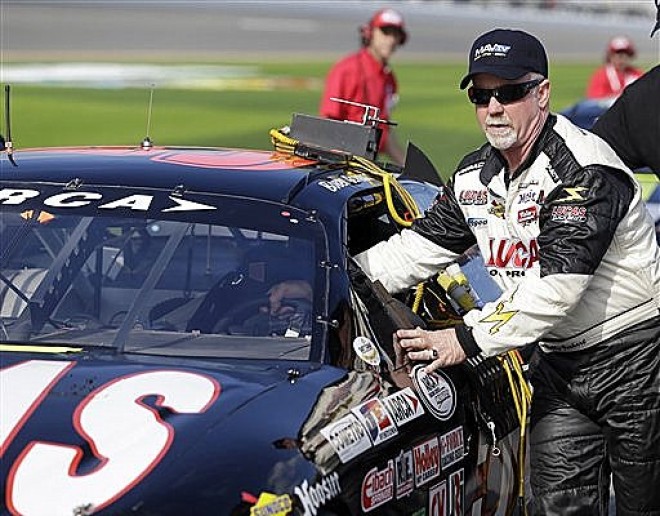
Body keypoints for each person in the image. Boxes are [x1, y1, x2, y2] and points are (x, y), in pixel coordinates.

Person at [352, 28, 660, 514]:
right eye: (481, 95)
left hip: (638, 359)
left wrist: (463, 340)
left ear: (542, 94)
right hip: (559, 364)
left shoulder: (583, 168)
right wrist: (334, 274)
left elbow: (556, 289)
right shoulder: (474, 175)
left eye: (510, 92)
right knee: (555, 507)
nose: (494, 108)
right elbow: (411, 252)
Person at [319, 8, 407, 165]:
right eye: (386, 32)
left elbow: (384, 131)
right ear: (371, 33)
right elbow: (328, 123)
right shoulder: (346, 70)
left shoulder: (389, 78)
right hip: (340, 164)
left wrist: (408, 167)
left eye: (396, 34)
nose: (391, 39)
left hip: (368, 163)